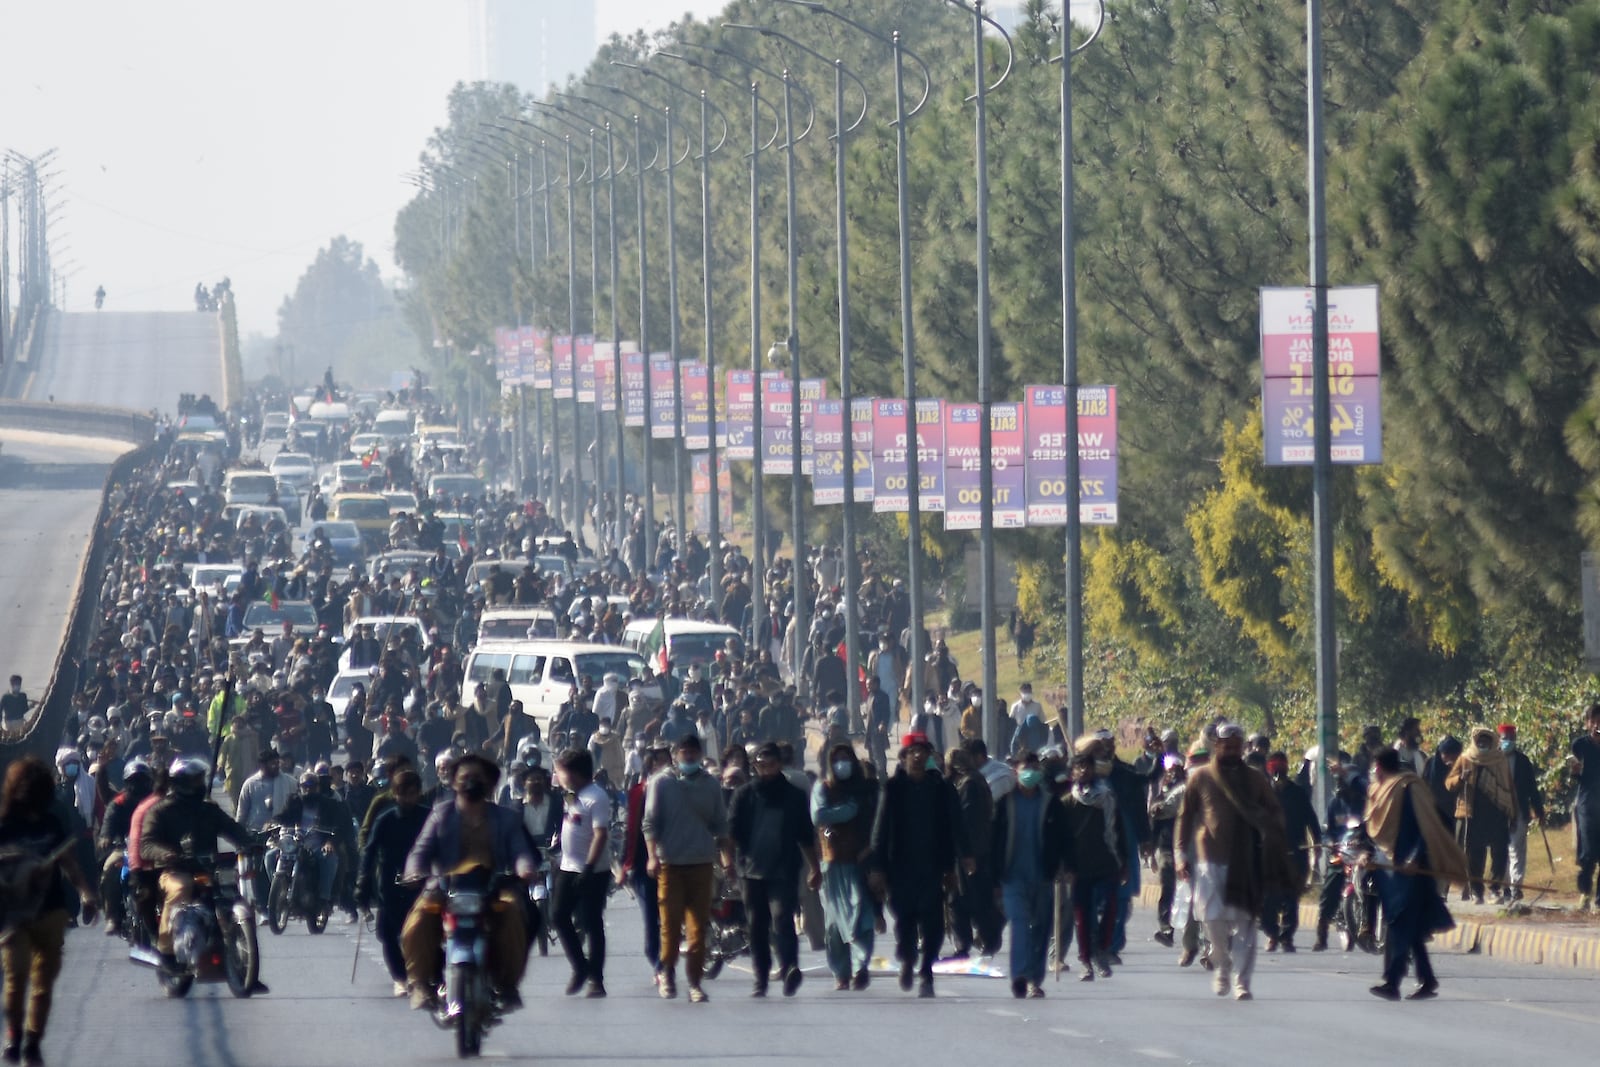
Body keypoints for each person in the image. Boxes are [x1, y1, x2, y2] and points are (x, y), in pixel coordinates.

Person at [400, 754, 536, 1012]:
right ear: (453, 783)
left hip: (493, 889)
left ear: (489, 784)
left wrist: (525, 868)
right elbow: (420, 852)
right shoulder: (441, 815)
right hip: (445, 889)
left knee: (514, 916)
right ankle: (418, 984)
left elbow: (520, 852)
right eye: (465, 778)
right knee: (416, 922)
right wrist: (414, 873)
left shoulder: (506, 818)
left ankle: (507, 985)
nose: (471, 782)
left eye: (477, 778)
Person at [1175, 723, 1289, 1000]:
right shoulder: (1200, 777)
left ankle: (1242, 982)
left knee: (1246, 924)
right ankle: (1222, 964)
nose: (1232, 750)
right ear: (1217, 746)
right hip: (1208, 859)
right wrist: (1180, 855)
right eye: (1227, 746)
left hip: (1246, 861)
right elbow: (1185, 816)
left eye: (1237, 746)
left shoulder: (1255, 779)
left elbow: (1275, 812)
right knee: (1212, 919)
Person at [0, 756, 98, 1066]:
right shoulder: (4, 825)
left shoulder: (51, 823)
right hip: (14, 913)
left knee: (43, 982)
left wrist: (85, 893)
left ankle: (33, 1040)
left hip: (51, 909)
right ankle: (14, 1033)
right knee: (16, 975)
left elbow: (68, 862)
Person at [1363, 747, 1469, 1000]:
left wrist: (1416, 856)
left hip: (1415, 869)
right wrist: (1364, 851)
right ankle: (1428, 980)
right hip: (1391, 868)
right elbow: (1369, 827)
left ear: (1380, 766)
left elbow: (1429, 825)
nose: (1373, 771)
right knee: (1410, 927)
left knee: (1402, 924)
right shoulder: (1378, 791)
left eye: (1375, 766)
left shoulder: (1409, 788)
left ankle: (1392, 981)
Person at [139, 758, 254, 974]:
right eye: (194, 781)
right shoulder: (160, 811)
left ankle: (242, 962)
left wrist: (250, 843)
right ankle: (166, 951)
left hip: (209, 869)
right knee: (181, 889)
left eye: (200, 779)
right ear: (180, 783)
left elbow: (232, 828)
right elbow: (146, 844)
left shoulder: (208, 809)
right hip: (173, 870)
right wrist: (167, 854)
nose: (199, 785)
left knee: (236, 895)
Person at [870, 731, 962, 998]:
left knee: (934, 924)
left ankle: (927, 971)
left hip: (933, 866)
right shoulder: (893, 788)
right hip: (900, 867)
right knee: (905, 920)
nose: (919, 756)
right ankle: (908, 960)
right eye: (913, 752)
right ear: (904, 757)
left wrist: (958, 860)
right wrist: (877, 867)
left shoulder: (940, 788)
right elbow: (880, 829)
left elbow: (953, 826)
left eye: (923, 752)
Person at [725, 741, 818, 998]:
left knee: (782, 919)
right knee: (757, 926)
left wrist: (814, 868)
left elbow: (805, 836)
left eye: (771, 765)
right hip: (751, 871)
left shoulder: (794, 796)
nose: (766, 770)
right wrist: (728, 862)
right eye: (761, 765)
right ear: (755, 766)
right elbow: (730, 832)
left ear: (780, 765)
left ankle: (789, 967)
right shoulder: (744, 795)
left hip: (784, 870)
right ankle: (761, 977)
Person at [642, 733, 729, 1002]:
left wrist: (728, 860)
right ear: (675, 754)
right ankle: (667, 974)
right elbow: (649, 823)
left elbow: (720, 825)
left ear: (700, 754)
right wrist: (652, 856)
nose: (688, 756)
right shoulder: (661, 783)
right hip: (670, 864)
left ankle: (694, 982)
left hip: (702, 863)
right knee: (669, 925)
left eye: (693, 752)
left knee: (698, 929)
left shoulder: (711, 784)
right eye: (684, 752)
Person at [992, 750, 1064, 997]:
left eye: (1034, 768)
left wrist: (1066, 867)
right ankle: (1021, 974)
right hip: (1012, 877)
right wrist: (993, 878)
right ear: (1016, 771)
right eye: (1026, 768)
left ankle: (1035, 978)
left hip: (1043, 876)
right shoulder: (1005, 804)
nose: (1030, 773)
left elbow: (1064, 839)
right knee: (1020, 924)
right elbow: (994, 842)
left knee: (1041, 928)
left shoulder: (1051, 803)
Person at [356, 769, 428, 998]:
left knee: (424, 931)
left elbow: (442, 847)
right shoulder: (385, 820)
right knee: (388, 934)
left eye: (413, 793)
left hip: (421, 883)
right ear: (395, 794)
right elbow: (370, 851)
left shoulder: (428, 817)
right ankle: (400, 977)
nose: (408, 798)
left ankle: (425, 973)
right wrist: (363, 881)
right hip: (389, 882)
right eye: (403, 794)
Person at [812, 742, 878, 989]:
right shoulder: (823, 788)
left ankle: (861, 966)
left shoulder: (865, 790)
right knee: (834, 924)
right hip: (833, 862)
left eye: (846, 758)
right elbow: (819, 815)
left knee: (862, 915)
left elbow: (876, 819)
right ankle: (841, 973)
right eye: (837, 759)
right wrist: (848, 810)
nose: (842, 764)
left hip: (860, 861)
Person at [551, 749, 610, 998]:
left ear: (574, 773)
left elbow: (600, 834)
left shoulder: (596, 797)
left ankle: (596, 979)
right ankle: (580, 967)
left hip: (592, 871)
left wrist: (588, 867)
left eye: (561, 771)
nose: (558, 776)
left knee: (591, 922)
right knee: (558, 916)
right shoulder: (571, 796)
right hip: (567, 866)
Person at [1062, 745, 1123, 981]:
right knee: (1082, 914)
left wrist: (1124, 860)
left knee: (1111, 908)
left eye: (1087, 766)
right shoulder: (1068, 803)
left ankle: (1101, 950)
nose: (1083, 771)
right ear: (1073, 772)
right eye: (1079, 767)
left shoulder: (1107, 798)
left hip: (1107, 862)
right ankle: (1086, 960)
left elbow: (1118, 832)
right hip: (1079, 867)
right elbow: (1062, 837)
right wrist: (1065, 866)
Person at [1446, 725, 1516, 905]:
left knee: (1499, 853)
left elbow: (1509, 787)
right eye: (1480, 740)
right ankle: (1477, 891)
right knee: (1474, 854)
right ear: (1475, 741)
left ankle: (1495, 888)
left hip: (1497, 813)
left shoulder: (1499, 760)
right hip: (1472, 814)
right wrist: (1461, 779)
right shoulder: (1465, 759)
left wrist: (1513, 812)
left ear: (1492, 742)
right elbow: (1449, 784)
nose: (1483, 743)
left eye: (1486, 740)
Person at [621, 743, 671, 978]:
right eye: (657, 761)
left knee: (670, 917)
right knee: (651, 917)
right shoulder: (638, 792)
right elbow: (631, 831)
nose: (662, 766)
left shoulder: (679, 790)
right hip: (644, 864)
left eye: (665, 760)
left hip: (675, 860)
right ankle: (659, 963)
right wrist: (625, 865)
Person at [945, 746, 1001, 959]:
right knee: (970, 898)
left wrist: (965, 853)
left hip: (969, 853)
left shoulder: (968, 785)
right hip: (976, 850)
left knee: (961, 899)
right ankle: (981, 940)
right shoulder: (975, 781)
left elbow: (966, 822)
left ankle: (974, 942)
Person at [1262, 750, 1319, 952]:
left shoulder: (1297, 793)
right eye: (1275, 768)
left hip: (1296, 851)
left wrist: (1317, 844)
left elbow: (1311, 820)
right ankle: (1271, 933)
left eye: (1281, 767)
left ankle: (1286, 937)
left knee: (1291, 896)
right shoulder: (1262, 793)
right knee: (1268, 899)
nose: (1278, 773)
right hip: (1269, 853)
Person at [270, 771, 344, 915]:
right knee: (269, 857)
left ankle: (324, 899)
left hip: (317, 844)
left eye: (312, 786)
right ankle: (279, 888)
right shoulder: (293, 801)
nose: (308, 789)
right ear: (300, 787)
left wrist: (330, 842)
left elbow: (338, 827)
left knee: (329, 859)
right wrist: (272, 823)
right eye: (305, 786)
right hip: (294, 843)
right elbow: (284, 816)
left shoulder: (329, 804)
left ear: (318, 787)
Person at [1498, 724, 1545, 902]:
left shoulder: (1523, 761)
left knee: (1517, 851)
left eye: (1511, 738)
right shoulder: (1492, 760)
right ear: (1499, 738)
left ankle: (1516, 887)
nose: (1508, 741)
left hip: (1519, 812)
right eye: (1505, 738)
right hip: (1498, 813)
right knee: (1501, 851)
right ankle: (1504, 887)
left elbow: (1532, 788)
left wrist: (1538, 810)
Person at [1569, 703, 1600, 909]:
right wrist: (1576, 770)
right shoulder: (1579, 745)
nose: (1597, 725)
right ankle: (1585, 892)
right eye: (1594, 721)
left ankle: (1599, 900)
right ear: (1587, 723)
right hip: (1587, 804)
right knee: (1588, 853)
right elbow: (1575, 776)